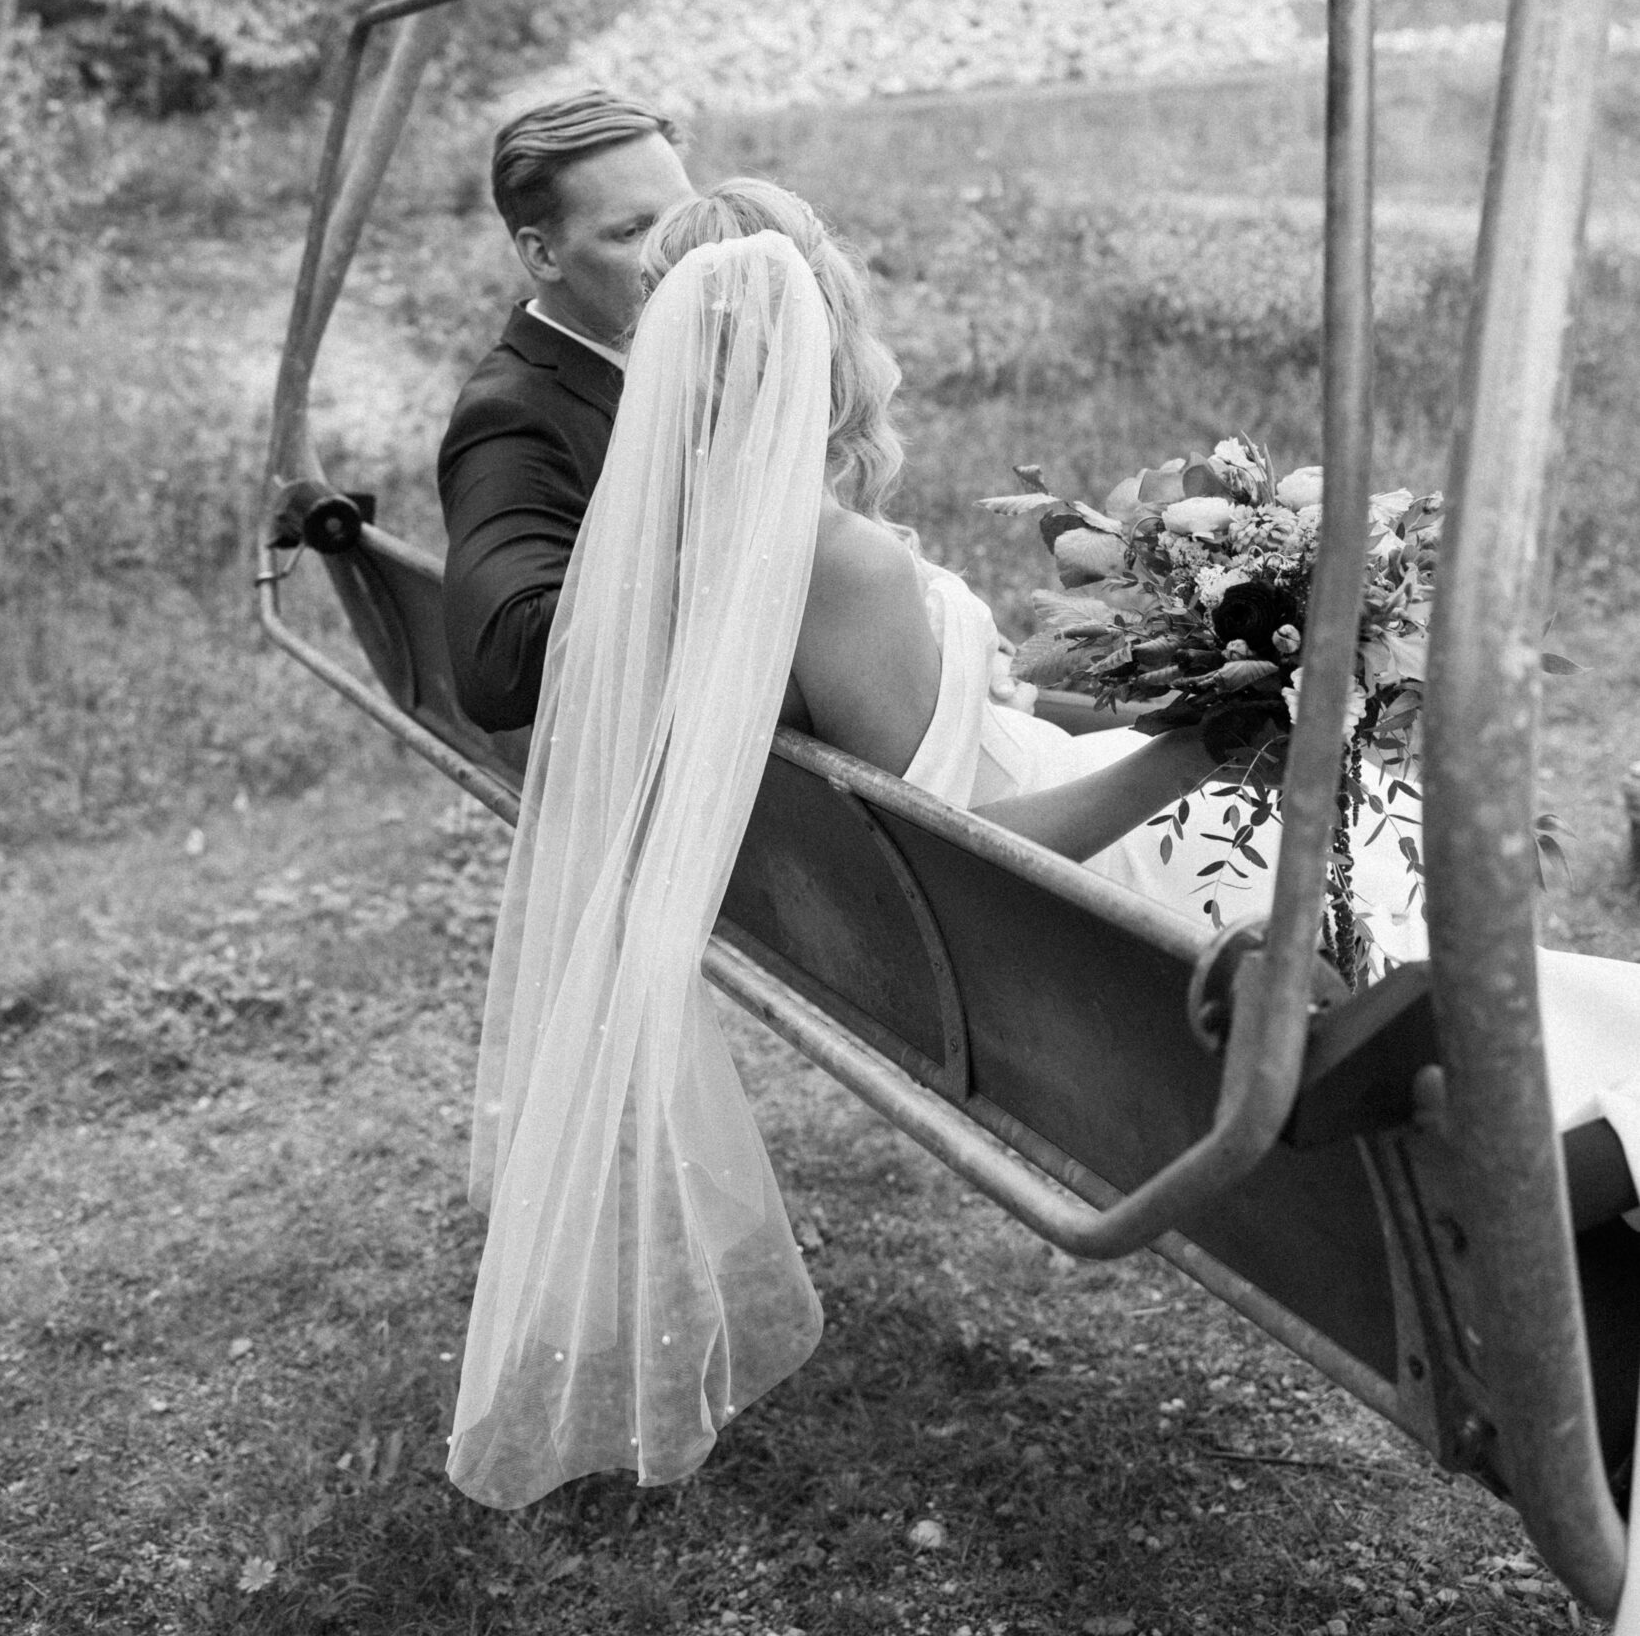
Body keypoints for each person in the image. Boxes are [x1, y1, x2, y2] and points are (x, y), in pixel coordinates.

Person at [447, 193, 1246, 1515]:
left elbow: (943, 739)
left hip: (997, 879)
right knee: (1355, 823)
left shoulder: (698, 536)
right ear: (827, 324)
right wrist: (1199, 754)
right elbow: (969, 857)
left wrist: (1127, 693)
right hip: (1082, 908)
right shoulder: (837, 561)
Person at [437, 88, 695, 735]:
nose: (678, 253)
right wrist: (735, 553)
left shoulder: (678, 354)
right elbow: (500, 660)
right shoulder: (512, 417)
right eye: (633, 231)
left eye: (684, 217)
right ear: (542, 255)